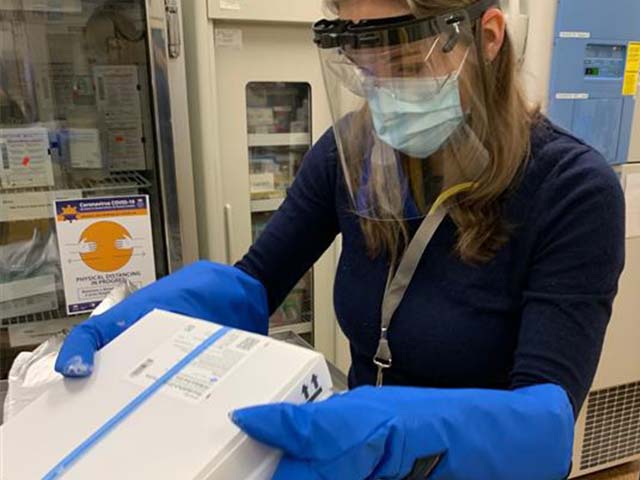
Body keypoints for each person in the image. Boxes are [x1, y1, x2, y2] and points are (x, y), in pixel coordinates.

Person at [55, 0, 625, 478]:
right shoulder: (351, 150)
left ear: (487, 34)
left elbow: (544, 425)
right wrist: (152, 323)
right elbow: (257, 279)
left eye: (402, 63)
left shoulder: (572, 191)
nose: (382, 96)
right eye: (365, 68)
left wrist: (405, 430)